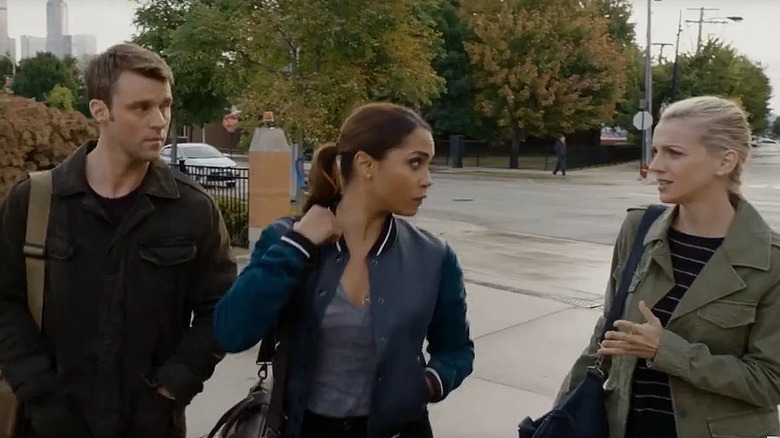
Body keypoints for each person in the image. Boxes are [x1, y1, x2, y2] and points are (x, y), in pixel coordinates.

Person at [0, 43, 236, 438]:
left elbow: (221, 311)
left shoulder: (192, 210)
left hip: (150, 425)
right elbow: (5, 299)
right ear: (100, 110)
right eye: (141, 108)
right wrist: (39, 392)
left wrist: (170, 389)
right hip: (49, 424)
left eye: (165, 105)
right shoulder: (37, 201)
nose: (159, 120)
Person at [212, 102, 474, 438]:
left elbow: (456, 349)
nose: (428, 180)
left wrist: (429, 383)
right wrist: (299, 244)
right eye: (415, 164)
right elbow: (230, 332)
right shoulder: (288, 239)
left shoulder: (434, 257)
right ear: (367, 165)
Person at [556, 95, 780, 438]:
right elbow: (605, 337)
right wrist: (560, 416)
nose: (655, 165)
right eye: (656, 150)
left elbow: (768, 381)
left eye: (673, 153)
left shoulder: (770, 260)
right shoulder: (638, 230)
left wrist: (668, 351)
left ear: (725, 162)